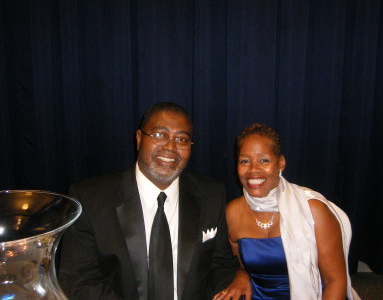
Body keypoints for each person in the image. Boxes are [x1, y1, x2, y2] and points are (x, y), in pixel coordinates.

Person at [59, 102, 250, 300]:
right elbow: (79, 281)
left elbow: (220, 264)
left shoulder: (211, 194)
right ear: (139, 139)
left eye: (182, 139)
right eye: (159, 135)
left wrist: (237, 276)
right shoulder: (90, 198)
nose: (170, 147)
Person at [218, 123, 360, 300]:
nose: (253, 170)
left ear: (281, 163)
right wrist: (241, 275)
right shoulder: (233, 212)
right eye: (245, 161)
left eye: (264, 160)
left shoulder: (313, 210)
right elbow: (236, 264)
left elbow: (335, 281)